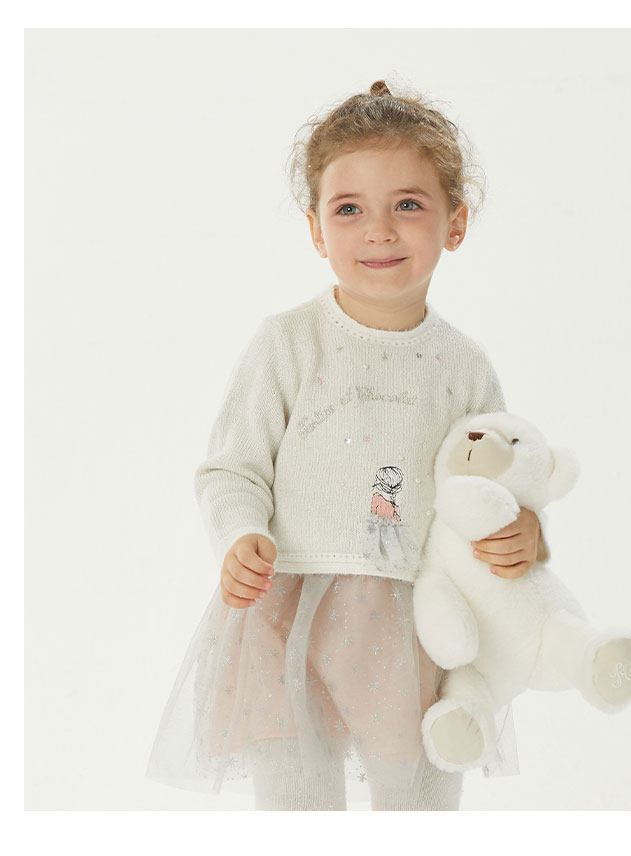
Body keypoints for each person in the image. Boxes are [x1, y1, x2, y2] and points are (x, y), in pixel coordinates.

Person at [146, 78, 549, 811]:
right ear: (315, 229)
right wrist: (240, 534)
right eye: (349, 209)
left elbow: (497, 483)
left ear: (456, 222)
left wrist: (525, 531)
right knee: (296, 805)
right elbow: (232, 468)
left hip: (414, 621)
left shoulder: (463, 366)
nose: (379, 231)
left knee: (416, 800)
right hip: (286, 611)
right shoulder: (288, 343)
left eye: (409, 205)